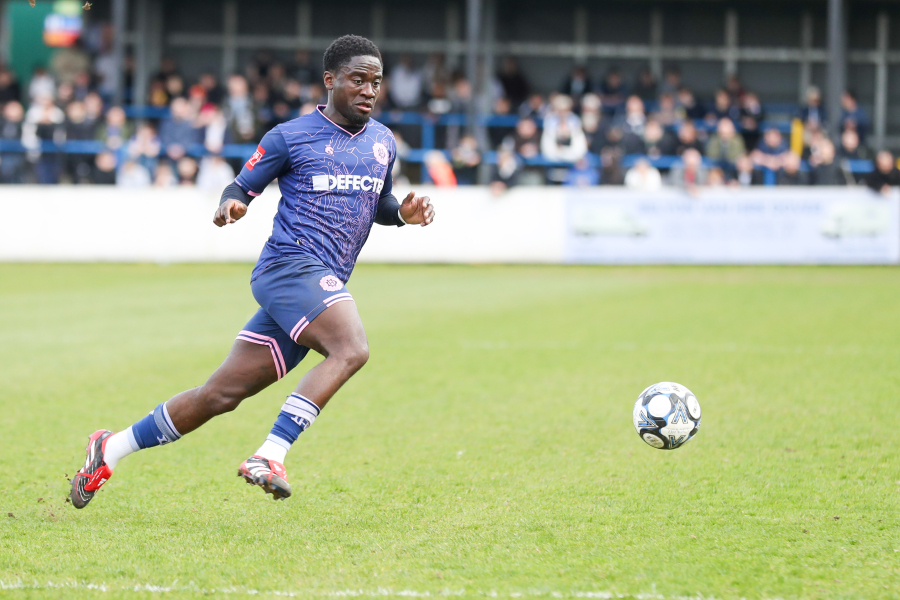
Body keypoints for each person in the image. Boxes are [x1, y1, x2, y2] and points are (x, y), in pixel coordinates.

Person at [69, 35, 436, 508]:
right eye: (358, 80)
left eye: (376, 82)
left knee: (219, 395)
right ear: (330, 81)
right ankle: (270, 454)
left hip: (318, 287)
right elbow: (239, 187)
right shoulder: (289, 136)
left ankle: (110, 447)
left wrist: (402, 213)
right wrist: (231, 205)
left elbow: (379, 202)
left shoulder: (383, 142)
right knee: (351, 348)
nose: (369, 90)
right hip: (289, 268)